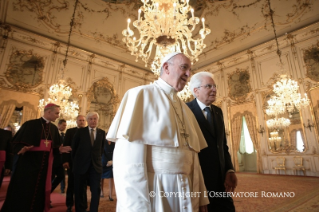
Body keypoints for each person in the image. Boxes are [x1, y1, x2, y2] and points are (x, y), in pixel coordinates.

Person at [107, 52, 209, 212]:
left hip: (188, 191)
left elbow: (193, 159)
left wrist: (202, 197)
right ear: (166, 68)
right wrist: (136, 208)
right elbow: (127, 163)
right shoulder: (140, 95)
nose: (189, 74)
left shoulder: (186, 110)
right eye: (184, 68)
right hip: (156, 191)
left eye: (190, 70)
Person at [0, 103, 72, 212]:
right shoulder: (30, 125)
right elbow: (14, 144)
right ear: (48, 112)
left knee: (40, 192)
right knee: (25, 191)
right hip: (28, 166)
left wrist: (59, 150)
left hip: (44, 169)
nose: (58, 116)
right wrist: (22, 149)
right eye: (56, 113)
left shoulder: (53, 128)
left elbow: (53, 148)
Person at [187, 72, 237, 212]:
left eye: (214, 86)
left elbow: (222, 145)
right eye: (209, 86)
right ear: (196, 91)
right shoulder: (185, 110)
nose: (214, 89)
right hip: (198, 180)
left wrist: (230, 169)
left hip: (221, 180)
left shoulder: (218, 111)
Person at [72, 112, 105, 212]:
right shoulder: (80, 132)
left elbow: (101, 149)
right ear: (87, 120)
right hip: (81, 167)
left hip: (95, 167)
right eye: (91, 119)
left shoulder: (102, 133)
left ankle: (93, 210)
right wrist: (76, 164)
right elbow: (74, 148)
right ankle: (80, 209)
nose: (93, 121)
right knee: (79, 190)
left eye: (95, 119)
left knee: (95, 191)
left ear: (97, 120)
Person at [62, 115, 88, 212]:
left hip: (84, 164)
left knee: (83, 185)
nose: (81, 122)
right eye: (80, 120)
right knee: (71, 184)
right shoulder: (70, 131)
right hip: (72, 163)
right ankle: (69, 204)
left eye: (83, 120)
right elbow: (65, 146)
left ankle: (83, 205)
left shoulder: (88, 132)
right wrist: (65, 160)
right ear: (76, 121)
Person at [51, 119, 67, 195]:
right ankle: (47, 194)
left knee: (61, 176)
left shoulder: (65, 135)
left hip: (61, 160)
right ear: (59, 125)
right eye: (64, 125)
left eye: (65, 125)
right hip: (53, 159)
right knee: (51, 178)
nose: (65, 127)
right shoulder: (53, 133)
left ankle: (61, 188)